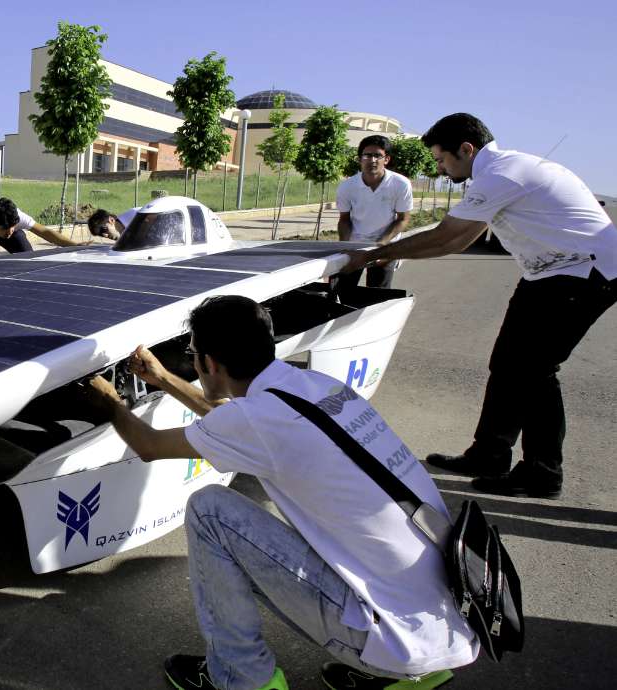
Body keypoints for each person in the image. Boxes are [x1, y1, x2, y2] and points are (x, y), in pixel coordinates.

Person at [80, 295, 477, 690]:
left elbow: (149, 446)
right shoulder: (315, 387)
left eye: (193, 352)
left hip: (393, 638)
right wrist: (163, 378)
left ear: (209, 363)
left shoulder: (256, 420)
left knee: (211, 512)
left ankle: (243, 679)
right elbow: (233, 424)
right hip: (447, 621)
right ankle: (409, 675)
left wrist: (110, 402)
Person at [341, 113, 617, 499]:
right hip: (547, 273)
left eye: (441, 159)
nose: (438, 168)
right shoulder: (506, 169)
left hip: (584, 273)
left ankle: (542, 473)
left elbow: (449, 239)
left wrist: (375, 255)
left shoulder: (501, 175)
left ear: (466, 149)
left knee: (535, 371)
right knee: (507, 365)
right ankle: (489, 454)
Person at [335, 135, 413, 290]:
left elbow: (403, 219)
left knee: (377, 297)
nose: (372, 160)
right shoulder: (347, 187)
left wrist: (382, 245)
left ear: (387, 159)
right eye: (367, 155)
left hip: (385, 246)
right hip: (355, 246)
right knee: (341, 291)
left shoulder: (400, 184)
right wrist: (344, 246)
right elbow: (344, 219)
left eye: (378, 155)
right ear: (359, 159)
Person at [0, 197, 85, 260]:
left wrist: (75, 245)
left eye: (12, 227)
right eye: (5, 229)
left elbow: (45, 232)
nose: (9, 232)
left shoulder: (17, 218)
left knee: (28, 256)